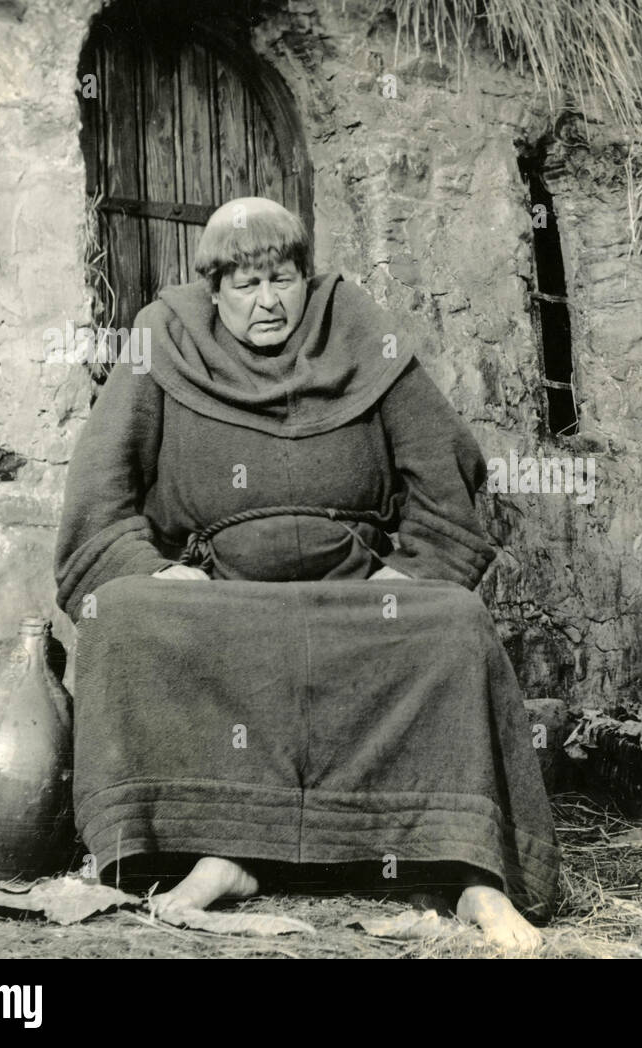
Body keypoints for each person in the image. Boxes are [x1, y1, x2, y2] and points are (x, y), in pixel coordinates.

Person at [55, 197, 558, 950]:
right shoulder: (163, 338)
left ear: (306, 278)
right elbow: (99, 491)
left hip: (352, 598)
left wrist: (410, 570)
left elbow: (445, 471)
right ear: (212, 288)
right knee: (121, 615)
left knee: (453, 621)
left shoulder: (358, 330)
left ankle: (469, 873)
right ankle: (223, 853)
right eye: (244, 285)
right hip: (223, 598)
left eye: (282, 280)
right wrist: (148, 570)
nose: (266, 302)